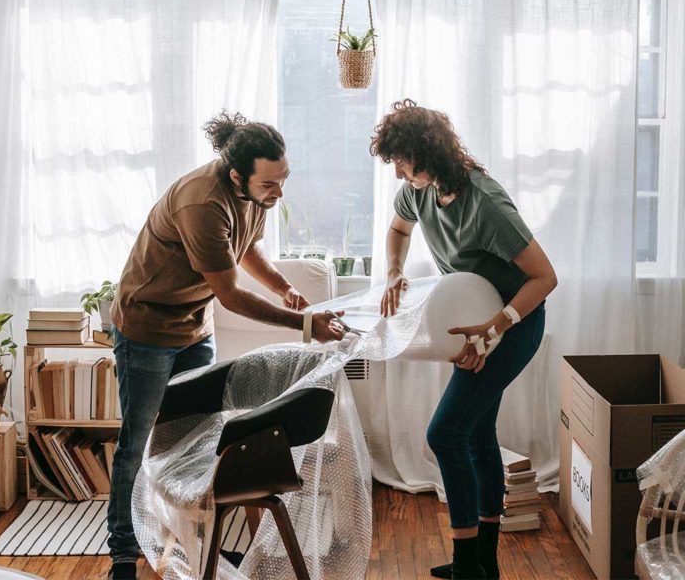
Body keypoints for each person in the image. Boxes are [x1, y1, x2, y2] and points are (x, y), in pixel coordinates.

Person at [106, 111, 345, 580]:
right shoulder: (201, 202)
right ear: (237, 175)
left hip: (196, 327)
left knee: (200, 436)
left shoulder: (253, 195)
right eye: (270, 184)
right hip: (147, 330)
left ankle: (195, 542)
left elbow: (246, 245)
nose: (279, 192)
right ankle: (122, 551)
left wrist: (281, 287)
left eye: (284, 180)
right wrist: (304, 324)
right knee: (138, 443)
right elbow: (231, 294)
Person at [370, 99, 557, 580]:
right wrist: (393, 272)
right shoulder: (419, 191)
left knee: (445, 433)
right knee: (475, 435)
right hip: (471, 319)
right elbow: (397, 229)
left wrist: (496, 327)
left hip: (514, 322)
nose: (397, 174)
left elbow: (545, 278)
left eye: (400, 162)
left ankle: (469, 565)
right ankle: (482, 562)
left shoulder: (486, 203)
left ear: (425, 154)